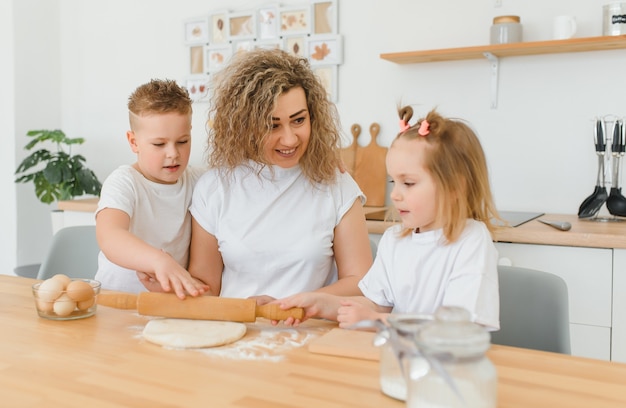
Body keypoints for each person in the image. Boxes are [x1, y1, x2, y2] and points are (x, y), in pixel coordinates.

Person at [276, 107, 501, 330]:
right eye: (394, 182)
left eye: (409, 183)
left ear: (455, 187)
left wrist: (377, 321)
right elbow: (375, 305)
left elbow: (459, 327)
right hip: (400, 359)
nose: (394, 194)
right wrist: (321, 304)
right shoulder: (395, 240)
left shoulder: (471, 241)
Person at [188, 49, 373, 301]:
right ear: (245, 126)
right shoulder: (215, 187)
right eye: (272, 126)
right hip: (237, 331)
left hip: (312, 331)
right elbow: (206, 286)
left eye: (298, 120)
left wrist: (292, 305)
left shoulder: (335, 183)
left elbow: (360, 281)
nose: (289, 139)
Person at [95, 79, 209, 299]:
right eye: (159, 144)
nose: (173, 153)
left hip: (167, 304)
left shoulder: (198, 180)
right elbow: (110, 236)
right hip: (116, 304)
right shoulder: (124, 182)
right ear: (133, 142)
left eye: (183, 141)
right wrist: (159, 260)